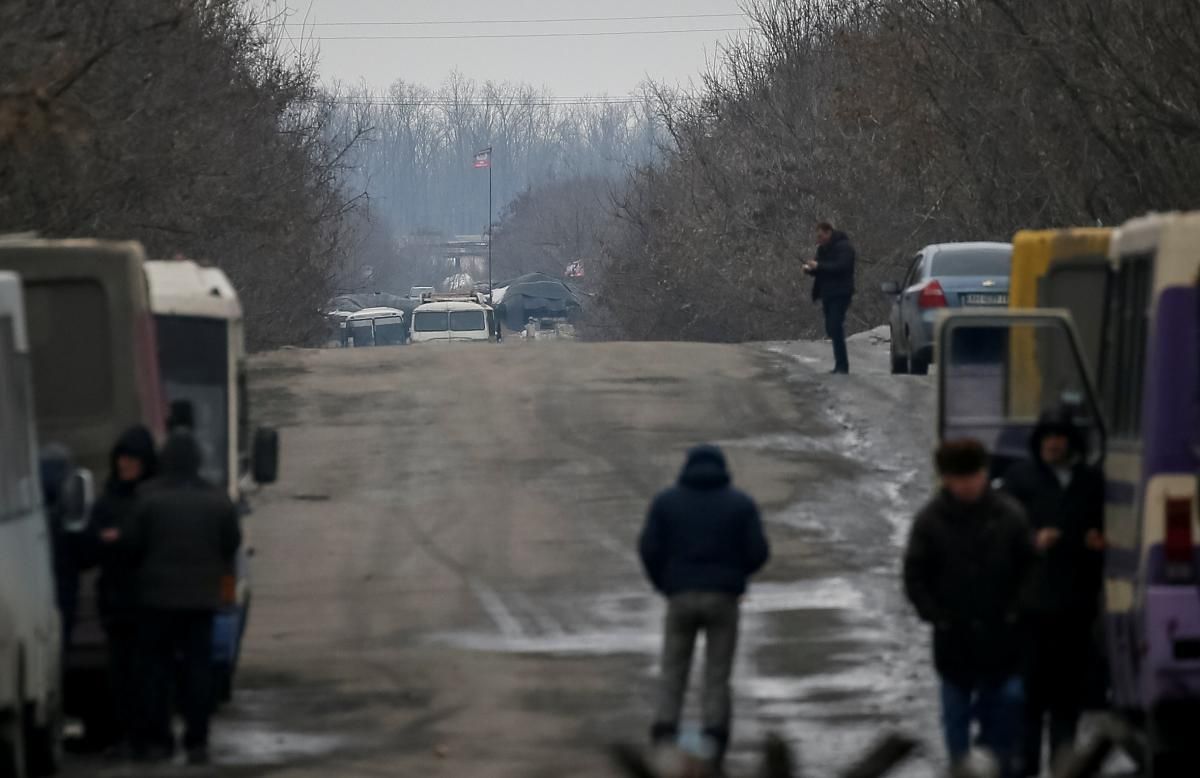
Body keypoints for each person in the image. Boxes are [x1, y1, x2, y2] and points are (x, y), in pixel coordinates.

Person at [903, 439, 1034, 777]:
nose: (966, 485)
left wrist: (1016, 609)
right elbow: (915, 575)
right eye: (958, 478)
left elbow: (1031, 569)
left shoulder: (1010, 516)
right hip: (954, 641)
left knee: (1006, 709)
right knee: (956, 720)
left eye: (972, 476)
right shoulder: (930, 521)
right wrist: (937, 615)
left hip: (1002, 637)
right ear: (946, 479)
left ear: (984, 474)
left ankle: (999, 766)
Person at [638, 445, 770, 768]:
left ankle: (665, 734)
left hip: (680, 596)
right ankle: (714, 739)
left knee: (673, 669)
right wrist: (735, 576)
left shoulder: (666, 502)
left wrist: (664, 583)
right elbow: (758, 551)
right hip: (724, 599)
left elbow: (649, 548)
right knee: (718, 673)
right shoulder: (740, 504)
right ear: (722, 469)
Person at [125, 431, 241, 765]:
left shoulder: (146, 498)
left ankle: (160, 740)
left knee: (156, 673)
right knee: (198, 673)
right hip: (201, 602)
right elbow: (231, 542)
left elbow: (131, 546)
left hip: (155, 602)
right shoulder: (217, 500)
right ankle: (197, 741)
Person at [1002, 411, 1105, 776]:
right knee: (1029, 696)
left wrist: (1098, 543)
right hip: (1031, 609)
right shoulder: (1020, 479)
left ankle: (1064, 766)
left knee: (1067, 698)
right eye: (1047, 436)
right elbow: (1001, 535)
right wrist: (1032, 540)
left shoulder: (1090, 482)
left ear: (1071, 442)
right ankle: (1026, 765)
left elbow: (1104, 528)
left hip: (1076, 609)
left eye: (1059, 436)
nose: (1053, 443)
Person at [86, 426, 158, 755]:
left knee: (147, 673)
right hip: (117, 601)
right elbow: (92, 539)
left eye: (131, 460)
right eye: (121, 459)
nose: (124, 466)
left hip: (148, 600)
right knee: (122, 675)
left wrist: (123, 538)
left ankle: (146, 737)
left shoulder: (152, 497)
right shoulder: (109, 498)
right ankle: (128, 736)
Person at [804, 222, 857, 374]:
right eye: (817, 237)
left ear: (829, 232)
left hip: (841, 292)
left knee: (835, 325)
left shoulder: (844, 247)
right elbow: (821, 270)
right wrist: (810, 270)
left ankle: (842, 365)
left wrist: (819, 266)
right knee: (831, 328)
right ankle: (840, 364)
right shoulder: (822, 249)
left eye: (821, 236)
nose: (819, 239)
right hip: (827, 293)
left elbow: (841, 267)